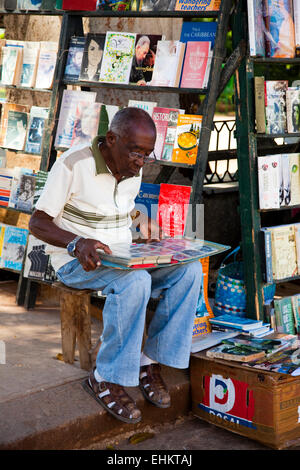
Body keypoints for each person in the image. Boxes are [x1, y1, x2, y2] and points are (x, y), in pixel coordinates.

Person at [29, 107, 202, 424]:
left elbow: (121, 208)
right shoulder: (73, 165)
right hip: (77, 261)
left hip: (124, 255)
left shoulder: (132, 171)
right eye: (136, 152)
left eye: (147, 155)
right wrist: (76, 243)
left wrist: (141, 220)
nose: (141, 162)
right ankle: (104, 376)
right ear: (111, 140)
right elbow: (37, 223)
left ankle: (147, 361)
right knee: (135, 282)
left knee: (189, 271)